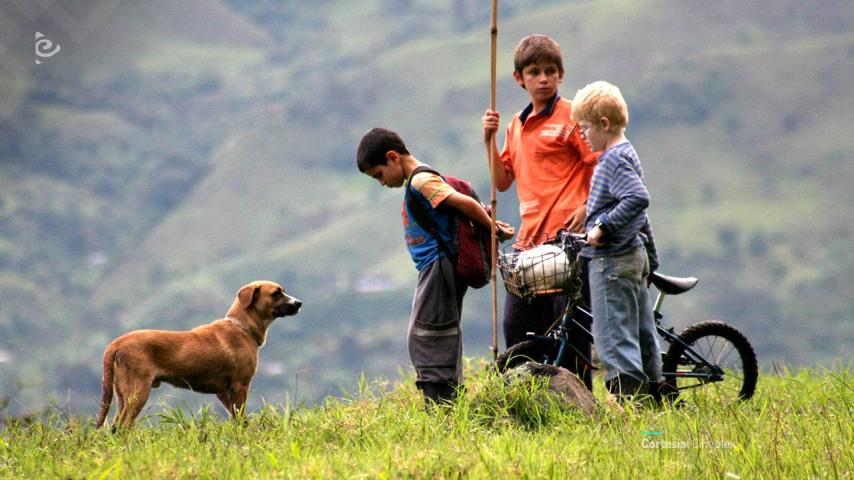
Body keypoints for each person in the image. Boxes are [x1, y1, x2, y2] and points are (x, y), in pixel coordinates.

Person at [356, 127, 515, 407]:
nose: (381, 182)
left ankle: (442, 405)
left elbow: (463, 202)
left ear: (393, 158)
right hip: (435, 267)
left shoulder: (420, 181)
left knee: (428, 334)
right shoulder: (422, 180)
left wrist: (490, 228)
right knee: (439, 329)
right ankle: (449, 397)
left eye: (379, 174)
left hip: (439, 267)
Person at [482, 34, 598, 390]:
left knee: (573, 328)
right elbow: (502, 182)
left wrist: (586, 205)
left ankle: (582, 403)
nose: (543, 79)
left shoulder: (574, 116)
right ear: (520, 78)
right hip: (529, 243)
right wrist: (488, 139)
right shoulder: (516, 125)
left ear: (561, 75)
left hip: (568, 241)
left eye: (550, 71)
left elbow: (599, 162)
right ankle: (526, 399)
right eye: (535, 72)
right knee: (518, 329)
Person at [570, 80, 663, 399]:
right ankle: (655, 395)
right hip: (633, 255)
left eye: (584, 128)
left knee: (613, 336)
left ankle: (631, 406)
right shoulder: (628, 152)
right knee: (642, 332)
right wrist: (650, 255)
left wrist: (601, 228)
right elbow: (640, 215)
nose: (582, 135)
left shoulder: (611, 160)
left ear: (603, 124)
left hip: (611, 261)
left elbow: (637, 199)